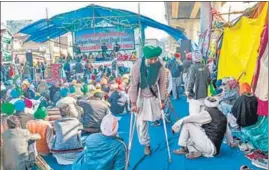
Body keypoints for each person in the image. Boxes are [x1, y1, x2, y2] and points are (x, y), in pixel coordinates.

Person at [129, 45, 166, 155]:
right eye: (151, 59)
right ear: (146, 57)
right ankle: (146, 144)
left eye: (155, 58)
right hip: (140, 97)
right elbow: (134, 85)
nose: (154, 61)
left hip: (154, 96)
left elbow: (162, 84)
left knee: (157, 117)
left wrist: (162, 100)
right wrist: (133, 103)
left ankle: (148, 141)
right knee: (141, 124)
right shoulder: (137, 66)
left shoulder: (160, 66)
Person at [172, 97, 236, 159]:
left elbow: (189, 118)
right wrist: (231, 143)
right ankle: (195, 150)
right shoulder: (223, 116)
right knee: (194, 130)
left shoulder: (207, 114)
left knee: (187, 125)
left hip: (209, 146)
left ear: (206, 105)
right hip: (216, 150)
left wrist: (176, 125)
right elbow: (228, 132)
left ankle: (184, 148)